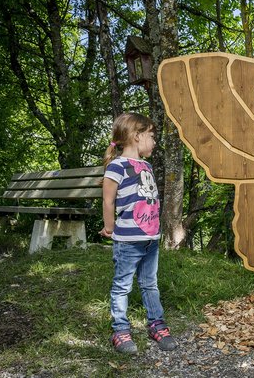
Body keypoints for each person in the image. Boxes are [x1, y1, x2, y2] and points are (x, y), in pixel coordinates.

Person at [100, 112, 177, 354]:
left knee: (149, 284)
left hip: (150, 239)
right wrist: (110, 227)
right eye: (151, 136)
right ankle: (121, 331)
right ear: (136, 136)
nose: (154, 141)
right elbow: (108, 200)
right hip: (128, 240)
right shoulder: (116, 166)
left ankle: (157, 324)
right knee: (122, 285)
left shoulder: (147, 165)